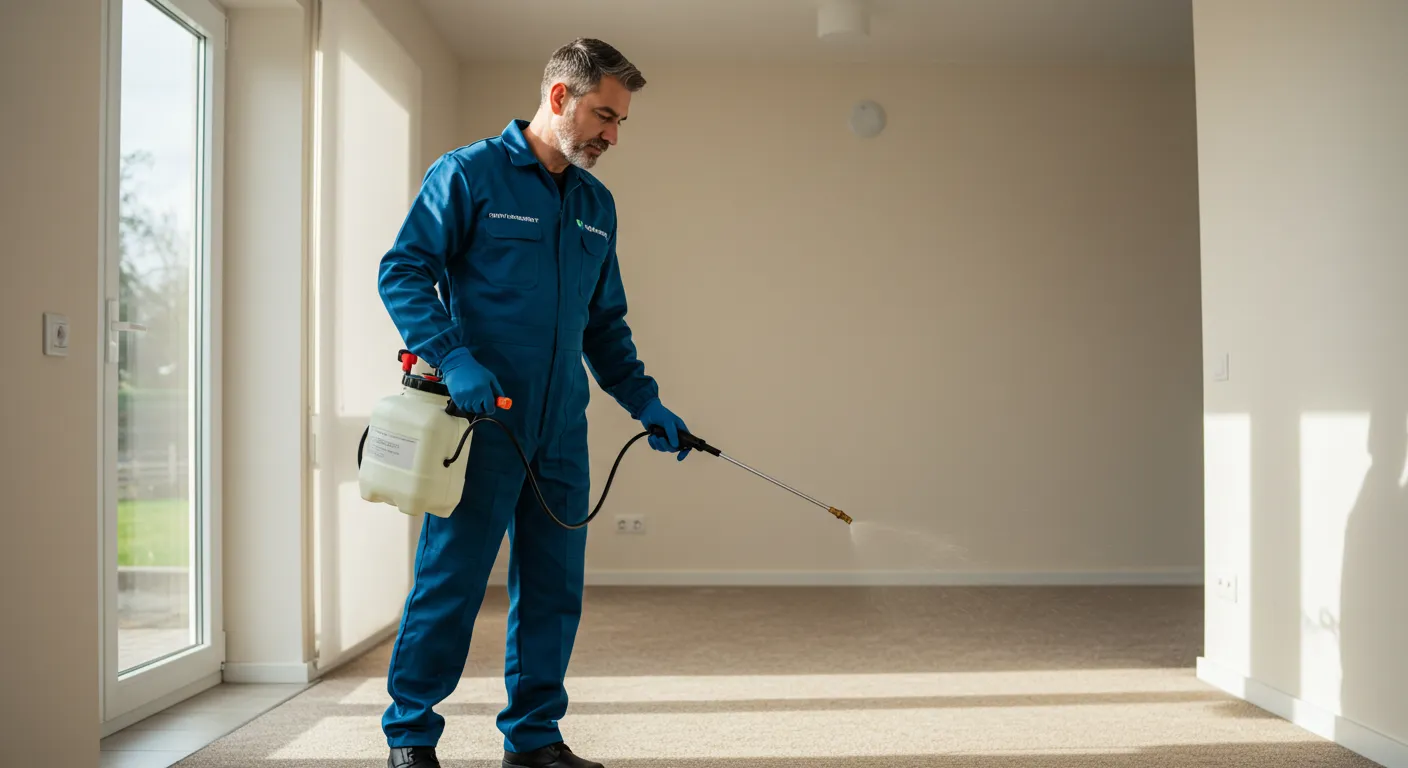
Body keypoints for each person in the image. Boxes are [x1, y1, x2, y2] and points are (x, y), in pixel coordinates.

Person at [376, 38, 690, 768]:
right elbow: (404, 270)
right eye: (604, 116)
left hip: (559, 433)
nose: (612, 135)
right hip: (481, 425)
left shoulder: (594, 205)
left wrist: (645, 402)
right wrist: (453, 356)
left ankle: (535, 738)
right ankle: (411, 738)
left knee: (552, 592)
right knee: (449, 585)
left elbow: (604, 324)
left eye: (620, 123)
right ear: (558, 97)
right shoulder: (469, 175)